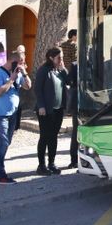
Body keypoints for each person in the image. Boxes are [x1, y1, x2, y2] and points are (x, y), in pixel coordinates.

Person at [0, 51, 31, 184]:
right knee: (2, 143)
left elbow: (28, 86)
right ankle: (0, 176)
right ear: (13, 61)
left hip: (12, 114)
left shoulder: (18, 73)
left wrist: (23, 73)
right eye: (22, 62)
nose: (24, 64)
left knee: (6, 142)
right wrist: (11, 79)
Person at [34, 47, 68, 176]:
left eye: (62, 57)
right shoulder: (44, 70)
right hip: (45, 110)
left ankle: (51, 163)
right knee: (45, 137)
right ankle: (41, 165)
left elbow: (69, 81)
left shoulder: (58, 71)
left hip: (58, 109)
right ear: (51, 58)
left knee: (53, 137)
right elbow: (37, 89)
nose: (61, 60)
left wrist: (63, 68)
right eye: (59, 58)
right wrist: (41, 106)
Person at [66, 61, 79, 169]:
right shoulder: (75, 65)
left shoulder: (99, 61)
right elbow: (69, 81)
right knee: (76, 131)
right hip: (78, 104)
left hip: (95, 103)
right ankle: (74, 159)